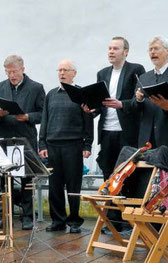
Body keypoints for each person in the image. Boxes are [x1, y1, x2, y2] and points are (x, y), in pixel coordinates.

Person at [84, 37, 145, 233]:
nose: (111, 51)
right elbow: (101, 103)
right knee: (108, 176)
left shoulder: (136, 70)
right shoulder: (102, 73)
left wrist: (121, 104)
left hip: (127, 133)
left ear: (125, 51)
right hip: (107, 132)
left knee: (127, 176)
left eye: (115, 48)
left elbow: (138, 102)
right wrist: (91, 110)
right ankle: (111, 222)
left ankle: (127, 222)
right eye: (109, 48)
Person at [0, 55, 45, 230]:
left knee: (26, 178)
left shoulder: (36, 88)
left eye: (14, 71)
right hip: (4, 138)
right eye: (8, 72)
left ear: (23, 69)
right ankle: (5, 215)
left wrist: (28, 116)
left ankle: (27, 216)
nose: (11, 75)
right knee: (4, 179)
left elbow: (43, 114)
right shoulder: (0, 87)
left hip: (25, 137)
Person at [38, 59, 93, 234]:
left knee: (73, 186)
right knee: (55, 186)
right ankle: (58, 221)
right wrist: (42, 143)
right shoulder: (51, 95)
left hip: (73, 145)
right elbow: (45, 120)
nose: (61, 73)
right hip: (53, 145)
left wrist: (87, 144)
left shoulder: (81, 93)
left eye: (65, 70)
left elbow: (88, 121)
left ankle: (75, 221)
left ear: (74, 73)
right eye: (59, 70)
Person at [134, 36, 168, 148]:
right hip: (146, 138)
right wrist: (139, 99)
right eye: (150, 49)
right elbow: (135, 107)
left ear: (167, 51)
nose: (152, 52)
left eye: (156, 49)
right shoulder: (143, 78)